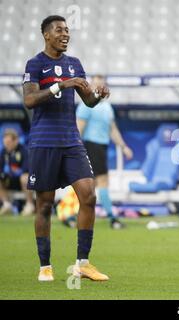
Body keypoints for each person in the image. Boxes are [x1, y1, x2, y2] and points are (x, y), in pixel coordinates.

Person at [23, 15, 110, 282]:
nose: (65, 34)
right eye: (59, 30)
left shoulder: (75, 65)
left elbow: (88, 101)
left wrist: (97, 96)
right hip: (44, 142)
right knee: (45, 206)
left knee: (89, 196)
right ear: (46, 35)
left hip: (72, 141)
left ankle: (82, 263)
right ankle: (45, 266)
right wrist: (60, 85)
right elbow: (29, 100)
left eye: (67, 30)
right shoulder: (35, 64)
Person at [76, 75, 133, 229]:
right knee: (100, 182)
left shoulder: (107, 107)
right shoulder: (85, 105)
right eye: (96, 83)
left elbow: (112, 129)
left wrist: (123, 146)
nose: (99, 86)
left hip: (101, 147)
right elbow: (78, 129)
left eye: (101, 83)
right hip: (90, 146)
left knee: (92, 185)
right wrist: (75, 149)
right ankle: (112, 219)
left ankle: (81, 217)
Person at [0, 129, 35, 216]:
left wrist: (13, 172)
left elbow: (27, 169)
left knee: (25, 177)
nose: (6, 145)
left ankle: (29, 205)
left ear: (15, 141)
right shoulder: (4, 152)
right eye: (5, 142)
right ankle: (7, 204)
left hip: (23, 182)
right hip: (9, 181)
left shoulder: (24, 151)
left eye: (9, 142)